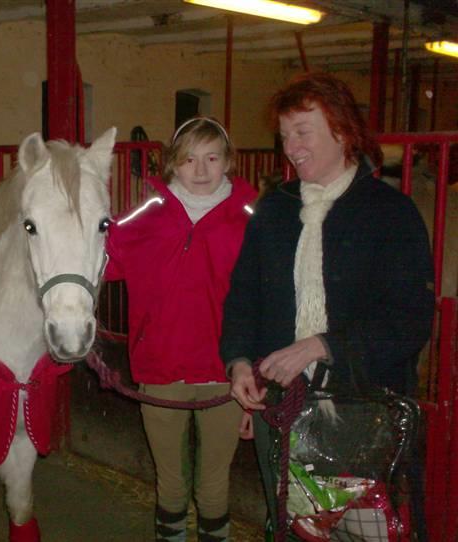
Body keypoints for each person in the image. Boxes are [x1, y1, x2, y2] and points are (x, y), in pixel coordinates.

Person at [220, 72, 435, 537]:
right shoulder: (273, 212)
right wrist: (239, 363)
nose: (291, 147)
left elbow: (410, 319)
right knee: (294, 529)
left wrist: (322, 345)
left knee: (369, 532)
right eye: (284, 136)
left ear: (341, 131)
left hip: (365, 415)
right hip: (285, 414)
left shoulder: (389, 214)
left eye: (303, 132)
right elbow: (244, 298)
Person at [105, 117, 258, 542]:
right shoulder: (148, 213)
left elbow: (267, 302)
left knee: (213, 487)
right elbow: (101, 257)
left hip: (225, 372)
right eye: (189, 158)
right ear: (173, 163)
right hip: (161, 368)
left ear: (228, 161)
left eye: (212, 157)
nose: (202, 169)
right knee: (169, 483)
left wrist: (254, 387)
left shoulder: (250, 218)